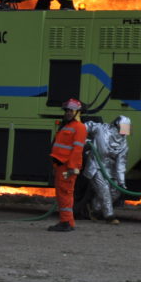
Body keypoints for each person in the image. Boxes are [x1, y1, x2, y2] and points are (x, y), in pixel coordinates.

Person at [47, 98, 87, 232]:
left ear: (77, 112)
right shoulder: (67, 126)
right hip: (60, 166)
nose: (68, 113)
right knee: (61, 194)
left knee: (65, 194)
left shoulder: (79, 127)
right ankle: (67, 221)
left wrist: (72, 168)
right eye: (67, 110)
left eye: (71, 110)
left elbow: (77, 150)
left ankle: (66, 222)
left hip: (68, 167)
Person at [83, 116, 130, 224]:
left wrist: (121, 182)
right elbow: (85, 127)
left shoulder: (124, 144)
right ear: (116, 126)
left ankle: (94, 210)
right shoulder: (101, 129)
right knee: (104, 190)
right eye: (124, 127)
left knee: (115, 192)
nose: (125, 131)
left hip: (110, 171)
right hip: (96, 166)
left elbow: (121, 165)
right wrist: (83, 138)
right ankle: (110, 216)